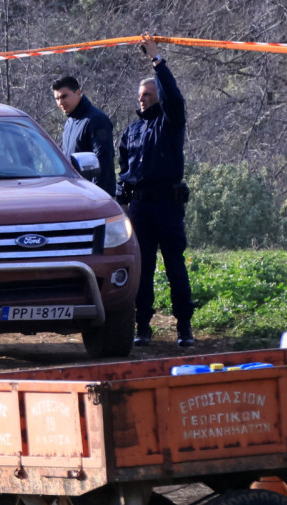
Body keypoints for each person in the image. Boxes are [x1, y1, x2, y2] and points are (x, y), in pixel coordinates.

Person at [117, 33, 195, 347]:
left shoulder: (170, 121)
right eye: (140, 95)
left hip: (167, 205)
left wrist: (156, 61)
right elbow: (124, 171)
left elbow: (175, 98)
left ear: (158, 96)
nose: (143, 99)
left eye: (148, 94)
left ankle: (184, 328)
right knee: (142, 268)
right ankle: (142, 327)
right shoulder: (132, 131)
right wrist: (120, 202)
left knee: (175, 266)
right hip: (140, 207)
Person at [51, 76, 116, 196]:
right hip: (75, 194)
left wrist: (96, 194)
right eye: (57, 98)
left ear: (78, 93)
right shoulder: (70, 121)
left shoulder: (96, 120)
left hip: (94, 196)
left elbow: (104, 160)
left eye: (64, 96)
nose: (60, 102)